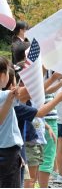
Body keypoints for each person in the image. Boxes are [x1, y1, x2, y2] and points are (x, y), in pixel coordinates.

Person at [0, 55, 21, 188]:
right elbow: (31, 91)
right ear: (2, 75)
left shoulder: (5, 96)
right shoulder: (3, 95)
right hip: (7, 152)